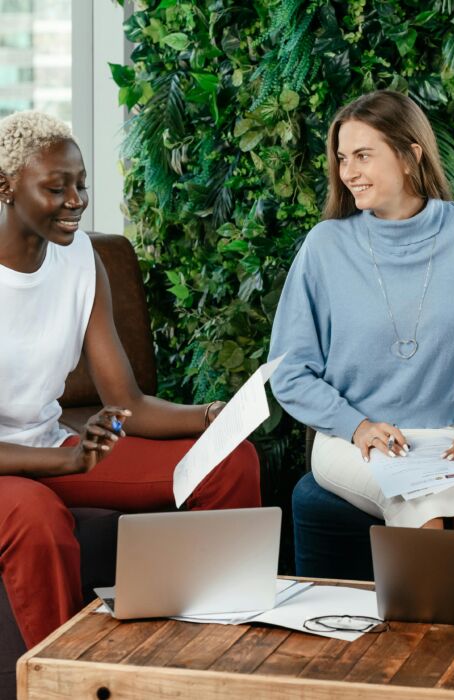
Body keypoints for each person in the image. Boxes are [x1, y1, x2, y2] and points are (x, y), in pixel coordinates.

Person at [0, 111, 261, 649]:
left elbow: (127, 403)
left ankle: (217, 647)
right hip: (29, 466)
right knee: (36, 517)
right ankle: (66, 678)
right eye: (57, 187)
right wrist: (68, 460)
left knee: (227, 461)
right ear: (4, 187)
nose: (77, 200)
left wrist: (213, 417)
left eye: (81, 184)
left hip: (56, 448)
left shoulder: (80, 262)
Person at [269, 90, 454, 532]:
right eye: (343, 158)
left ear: (409, 155)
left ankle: (448, 606)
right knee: (429, 517)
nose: (349, 173)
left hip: (443, 434)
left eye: (363, 155)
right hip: (351, 440)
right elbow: (289, 371)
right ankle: (428, 604)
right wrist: (356, 424)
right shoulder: (325, 246)